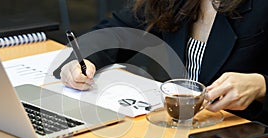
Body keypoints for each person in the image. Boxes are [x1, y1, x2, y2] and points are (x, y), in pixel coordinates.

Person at [53, 0, 268, 124]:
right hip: (181, 131)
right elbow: (116, 32)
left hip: (245, 136)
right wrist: (81, 61)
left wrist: (261, 85)